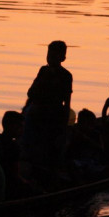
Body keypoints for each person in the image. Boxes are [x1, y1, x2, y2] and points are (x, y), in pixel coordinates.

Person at [21, 40, 72, 177]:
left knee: (49, 148)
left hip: (52, 115)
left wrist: (64, 127)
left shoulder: (66, 76)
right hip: (35, 113)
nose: (51, 58)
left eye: (55, 55)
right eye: (49, 54)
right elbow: (30, 94)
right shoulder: (43, 71)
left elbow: (67, 102)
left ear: (63, 58)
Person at [0, 110, 30, 199]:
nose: (22, 130)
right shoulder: (13, 146)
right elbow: (15, 175)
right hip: (6, 186)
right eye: (20, 126)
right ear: (11, 126)